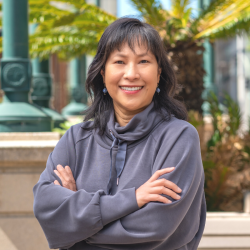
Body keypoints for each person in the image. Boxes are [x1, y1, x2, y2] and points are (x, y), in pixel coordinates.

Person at [33, 17, 206, 250]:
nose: (131, 74)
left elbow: (156, 227)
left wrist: (77, 226)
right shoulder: (76, 139)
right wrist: (133, 199)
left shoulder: (178, 137)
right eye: (120, 61)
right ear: (103, 72)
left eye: (143, 61)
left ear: (159, 74)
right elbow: (46, 208)